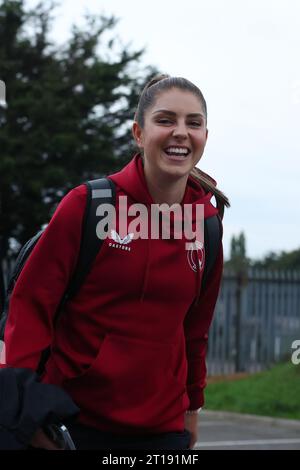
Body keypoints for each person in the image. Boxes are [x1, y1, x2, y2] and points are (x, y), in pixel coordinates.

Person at [1, 74, 230, 450]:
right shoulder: (87, 206)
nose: (180, 133)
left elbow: (195, 331)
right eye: (165, 120)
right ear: (139, 133)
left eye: (194, 123)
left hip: (163, 429)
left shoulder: (206, 226)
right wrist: (24, 413)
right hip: (74, 424)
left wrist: (192, 410)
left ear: (205, 136)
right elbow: (29, 310)